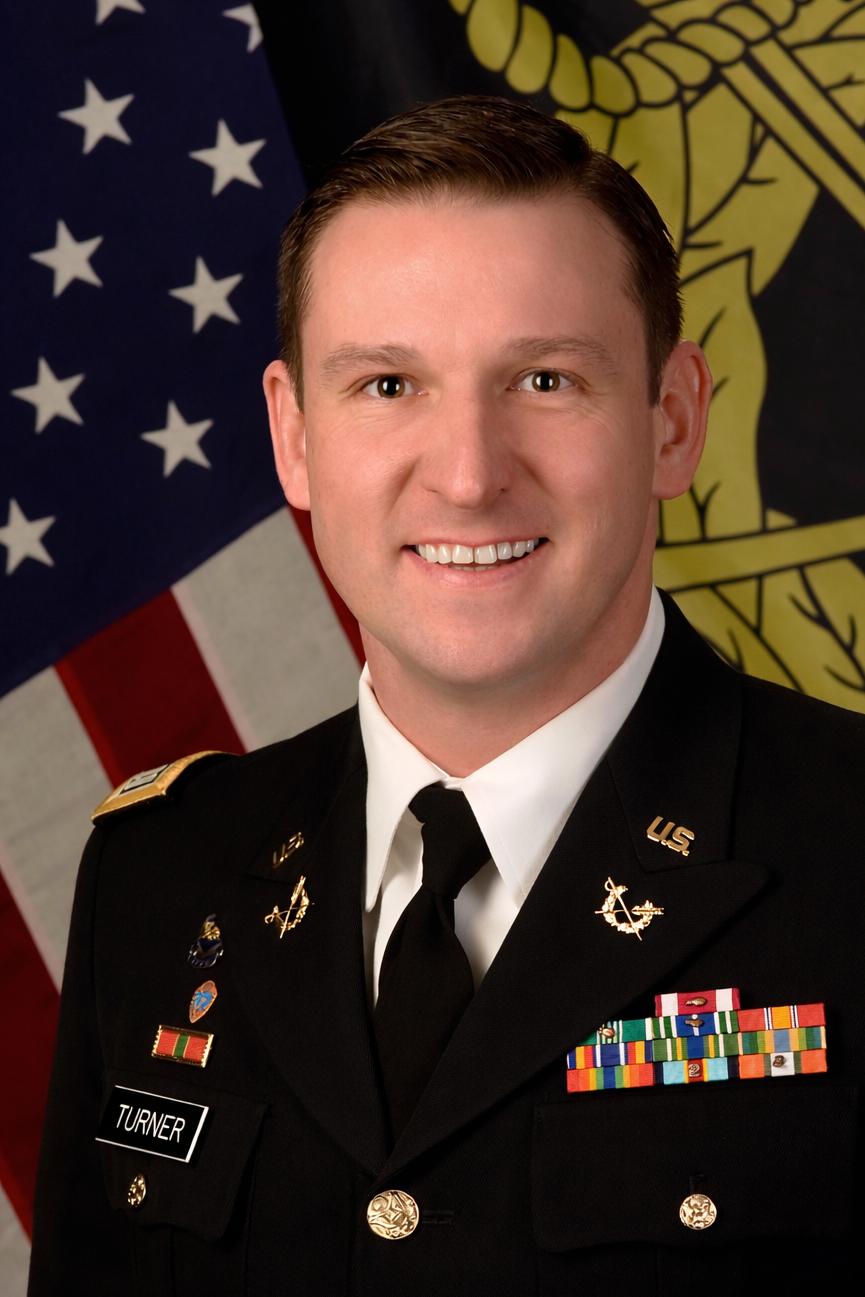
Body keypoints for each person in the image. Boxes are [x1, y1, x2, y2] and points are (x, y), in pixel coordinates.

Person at [29, 96, 861, 1295]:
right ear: (294, 437)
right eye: (385, 386)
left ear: (671, 420)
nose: (468, 474)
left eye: (543, 378)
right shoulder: (162, 878)